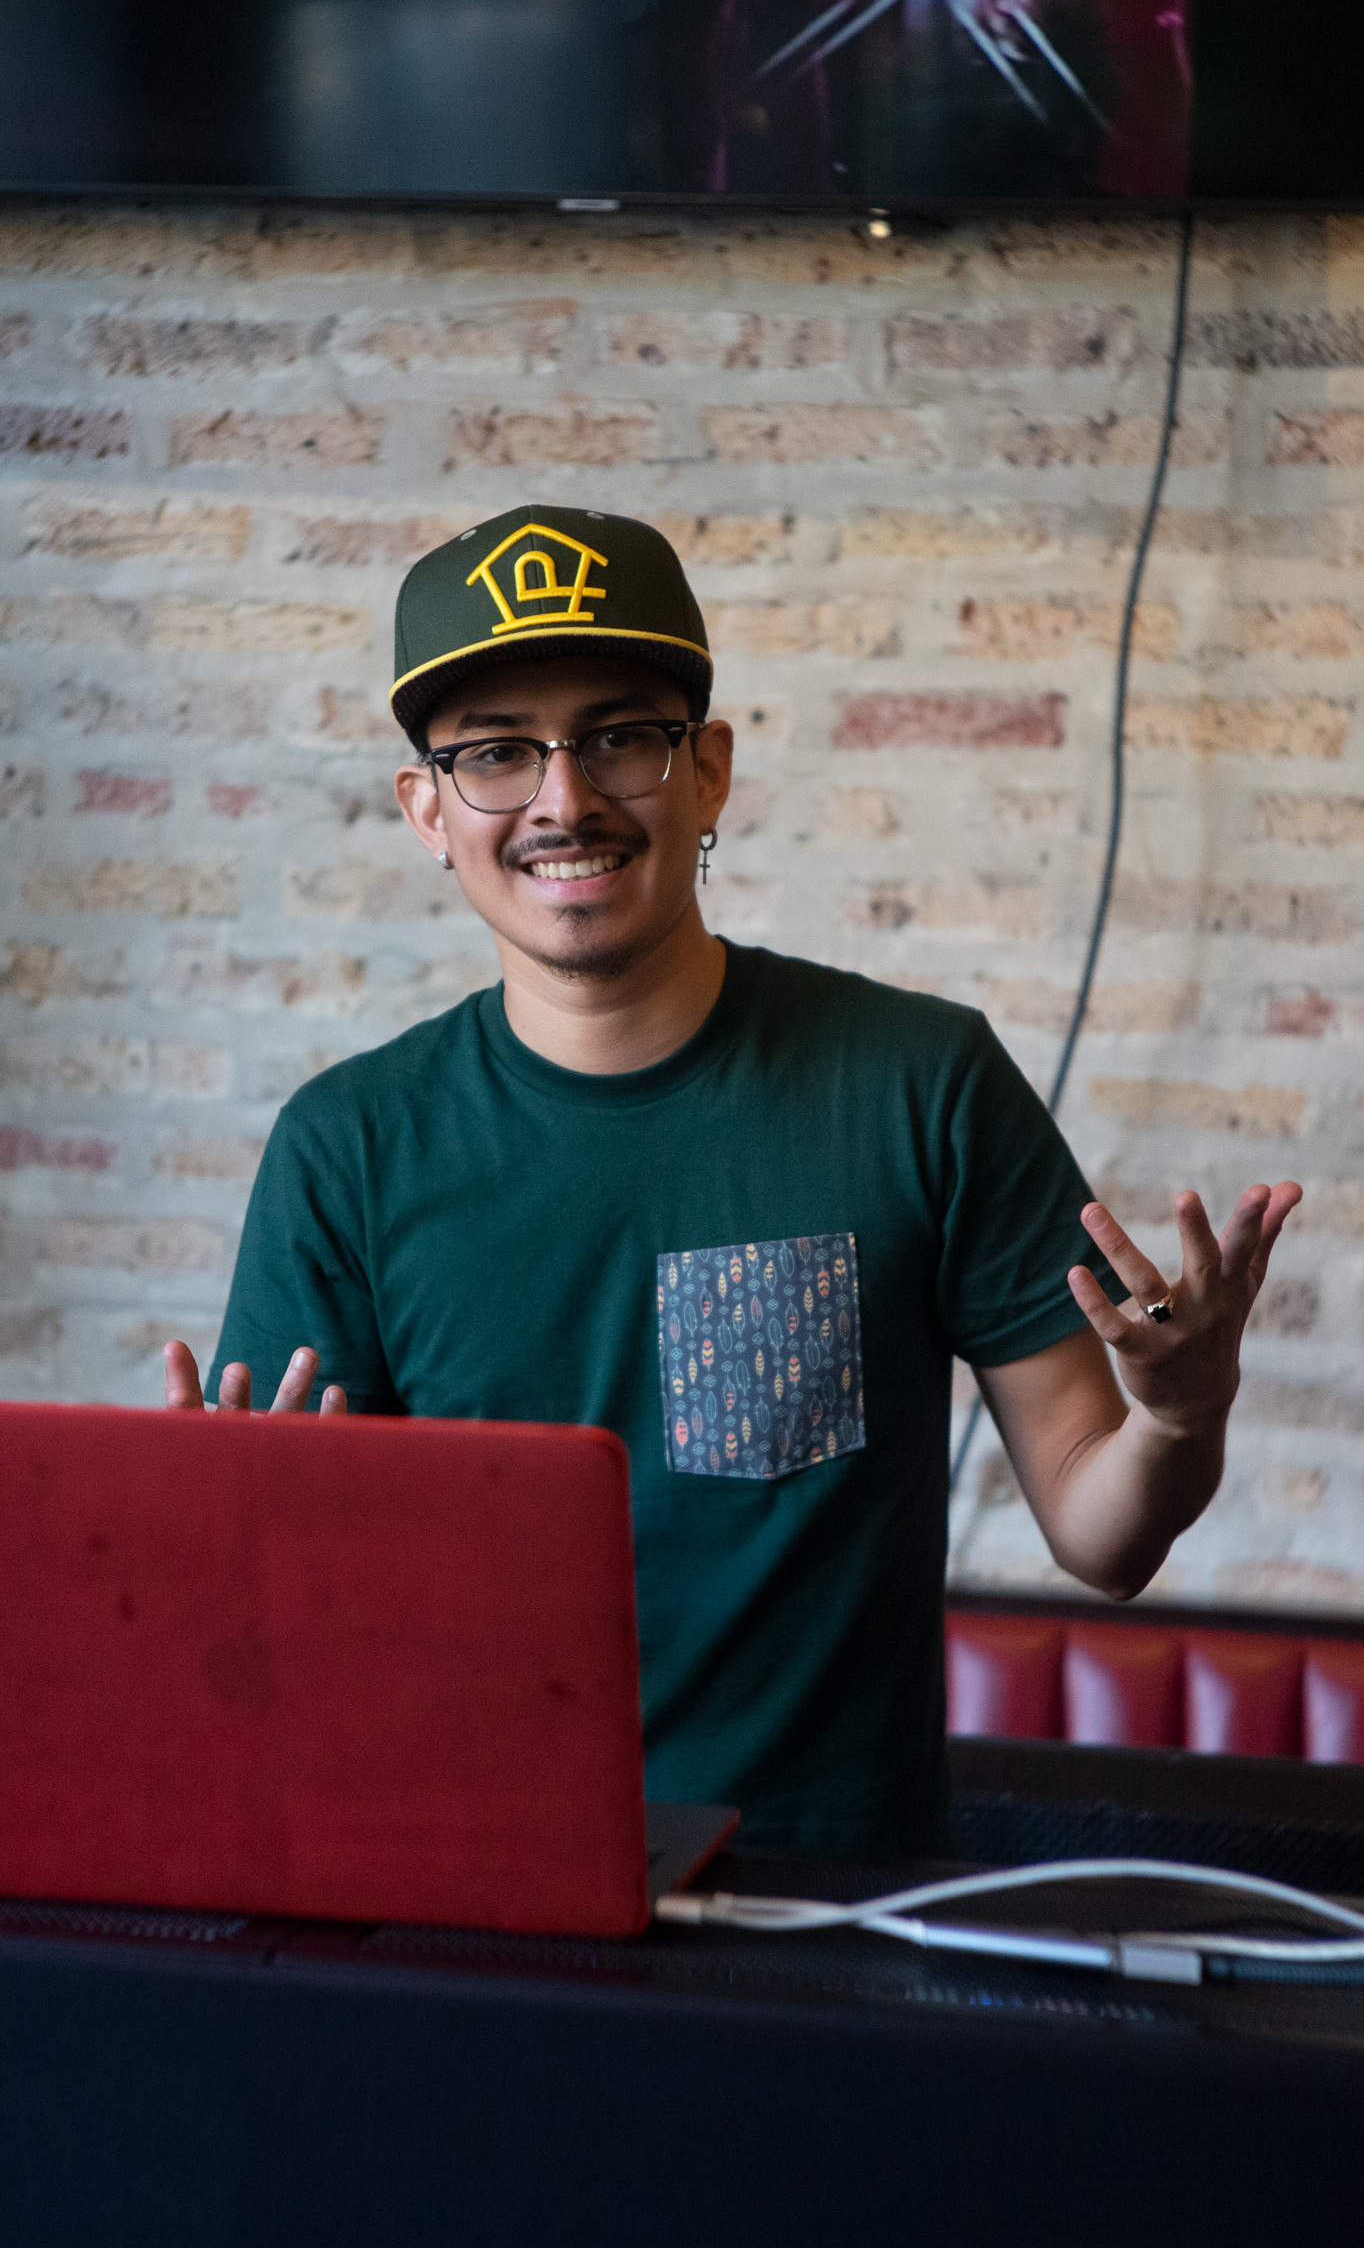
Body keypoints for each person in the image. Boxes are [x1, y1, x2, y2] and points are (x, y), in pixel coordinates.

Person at [164, 504, 1300, 1855]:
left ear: (708, 770)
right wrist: (217, 1540)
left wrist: (1180, 1418)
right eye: (497, 752)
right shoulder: (347, 1147)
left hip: (833, 1911)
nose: (563, 798)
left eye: (619, 736)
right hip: (475, 1889)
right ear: (427, 809)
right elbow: (280, 1643)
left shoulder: (917, 1081)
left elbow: (1103, 1535)